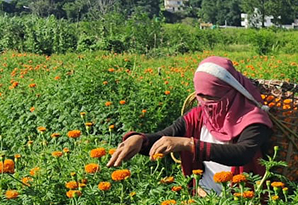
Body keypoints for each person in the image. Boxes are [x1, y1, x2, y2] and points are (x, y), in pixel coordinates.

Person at [108, 56, 273, 194]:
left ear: (231, 91)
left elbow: (242, 153)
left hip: (243, 201)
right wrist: (139, 140)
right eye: (201, 96)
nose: (206, 103)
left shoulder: (254, 119)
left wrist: (189, 144)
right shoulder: (199, 115)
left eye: (212, 98)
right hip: (204, 197)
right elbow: (168, 136)